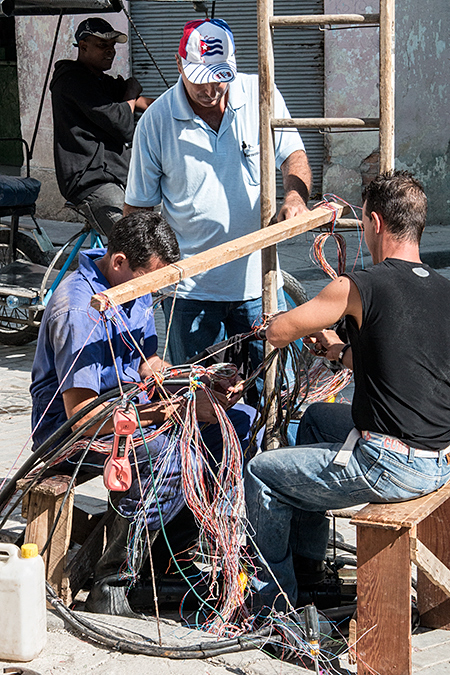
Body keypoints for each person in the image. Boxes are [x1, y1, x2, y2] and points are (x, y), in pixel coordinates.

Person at [244, 171, 450, 614]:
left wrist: (286, 318)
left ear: (374, 222)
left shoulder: (357, 286)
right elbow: (396, 360)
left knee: (263, 472)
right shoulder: (444, 290)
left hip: (388, 464)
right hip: (439, 461)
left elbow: (280, 330)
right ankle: (312, 571)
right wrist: (340, 351)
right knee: (318, 418)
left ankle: (272, 605)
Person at [30, 211, 253, 616]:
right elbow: (81, 415)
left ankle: (168, 560)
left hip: (128, 406)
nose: (150, 292)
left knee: (236, 423)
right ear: (119, 263)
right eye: (148, 280)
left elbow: (146, 361)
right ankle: (112, 581)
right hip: (66, 431)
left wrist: (192, 380)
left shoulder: (135, 283)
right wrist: (164, 414)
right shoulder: (78, 311)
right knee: (168, 454)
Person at [123, 17, 312, 368]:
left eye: (220, 79)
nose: (211, 91)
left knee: (275, 393)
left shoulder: (260, 96)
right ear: (179, 65)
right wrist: (144, 279)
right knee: (201, 399)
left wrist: (295, 198)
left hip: (259, 281)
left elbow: (294, 157)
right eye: (200, 81)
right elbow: (138, 211)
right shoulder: (156, 121)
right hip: (191, 291)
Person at [50, 17, 154, 237]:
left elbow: (141, 103)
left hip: (117, 175)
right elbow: (123, 123)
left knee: (156, 221)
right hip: (91, 182)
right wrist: (131, 92)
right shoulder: (73, 81)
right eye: (102, 46)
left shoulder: (99, 81)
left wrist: (180, 107)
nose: (110, 51)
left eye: (112, 46)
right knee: (133, 241)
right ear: (83, 46)